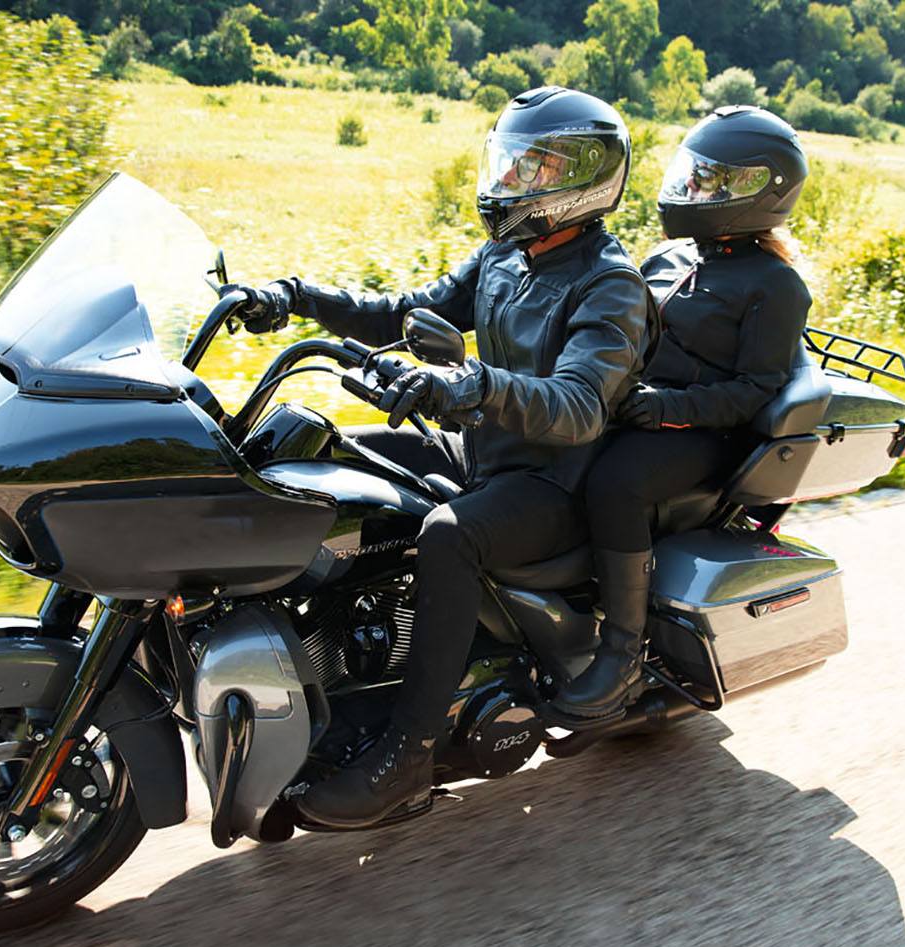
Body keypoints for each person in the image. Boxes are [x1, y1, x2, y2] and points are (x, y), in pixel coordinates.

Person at [226, 86, 658, 827]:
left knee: (448, 535)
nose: (513, 182)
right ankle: (328, 678)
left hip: (556, 483)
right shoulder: (506, 254)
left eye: (534, 169)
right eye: (512, 165)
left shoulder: (609, 286)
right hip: (486, 452)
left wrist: (470, 384)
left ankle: (409, 752)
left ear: (584, 180)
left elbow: (580, 405)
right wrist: (292, 297)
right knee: (337, 466)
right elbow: (403, 310)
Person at [554, 106, 813, 723]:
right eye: (693, 174)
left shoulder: (775, 286)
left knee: (615, 482)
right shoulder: (667, 257)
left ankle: (620, 653)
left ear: (760, 191)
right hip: (639, 408)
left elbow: (755, 389)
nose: (693, 190)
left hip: (707, 434)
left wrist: (663, 408)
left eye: (713, 181)